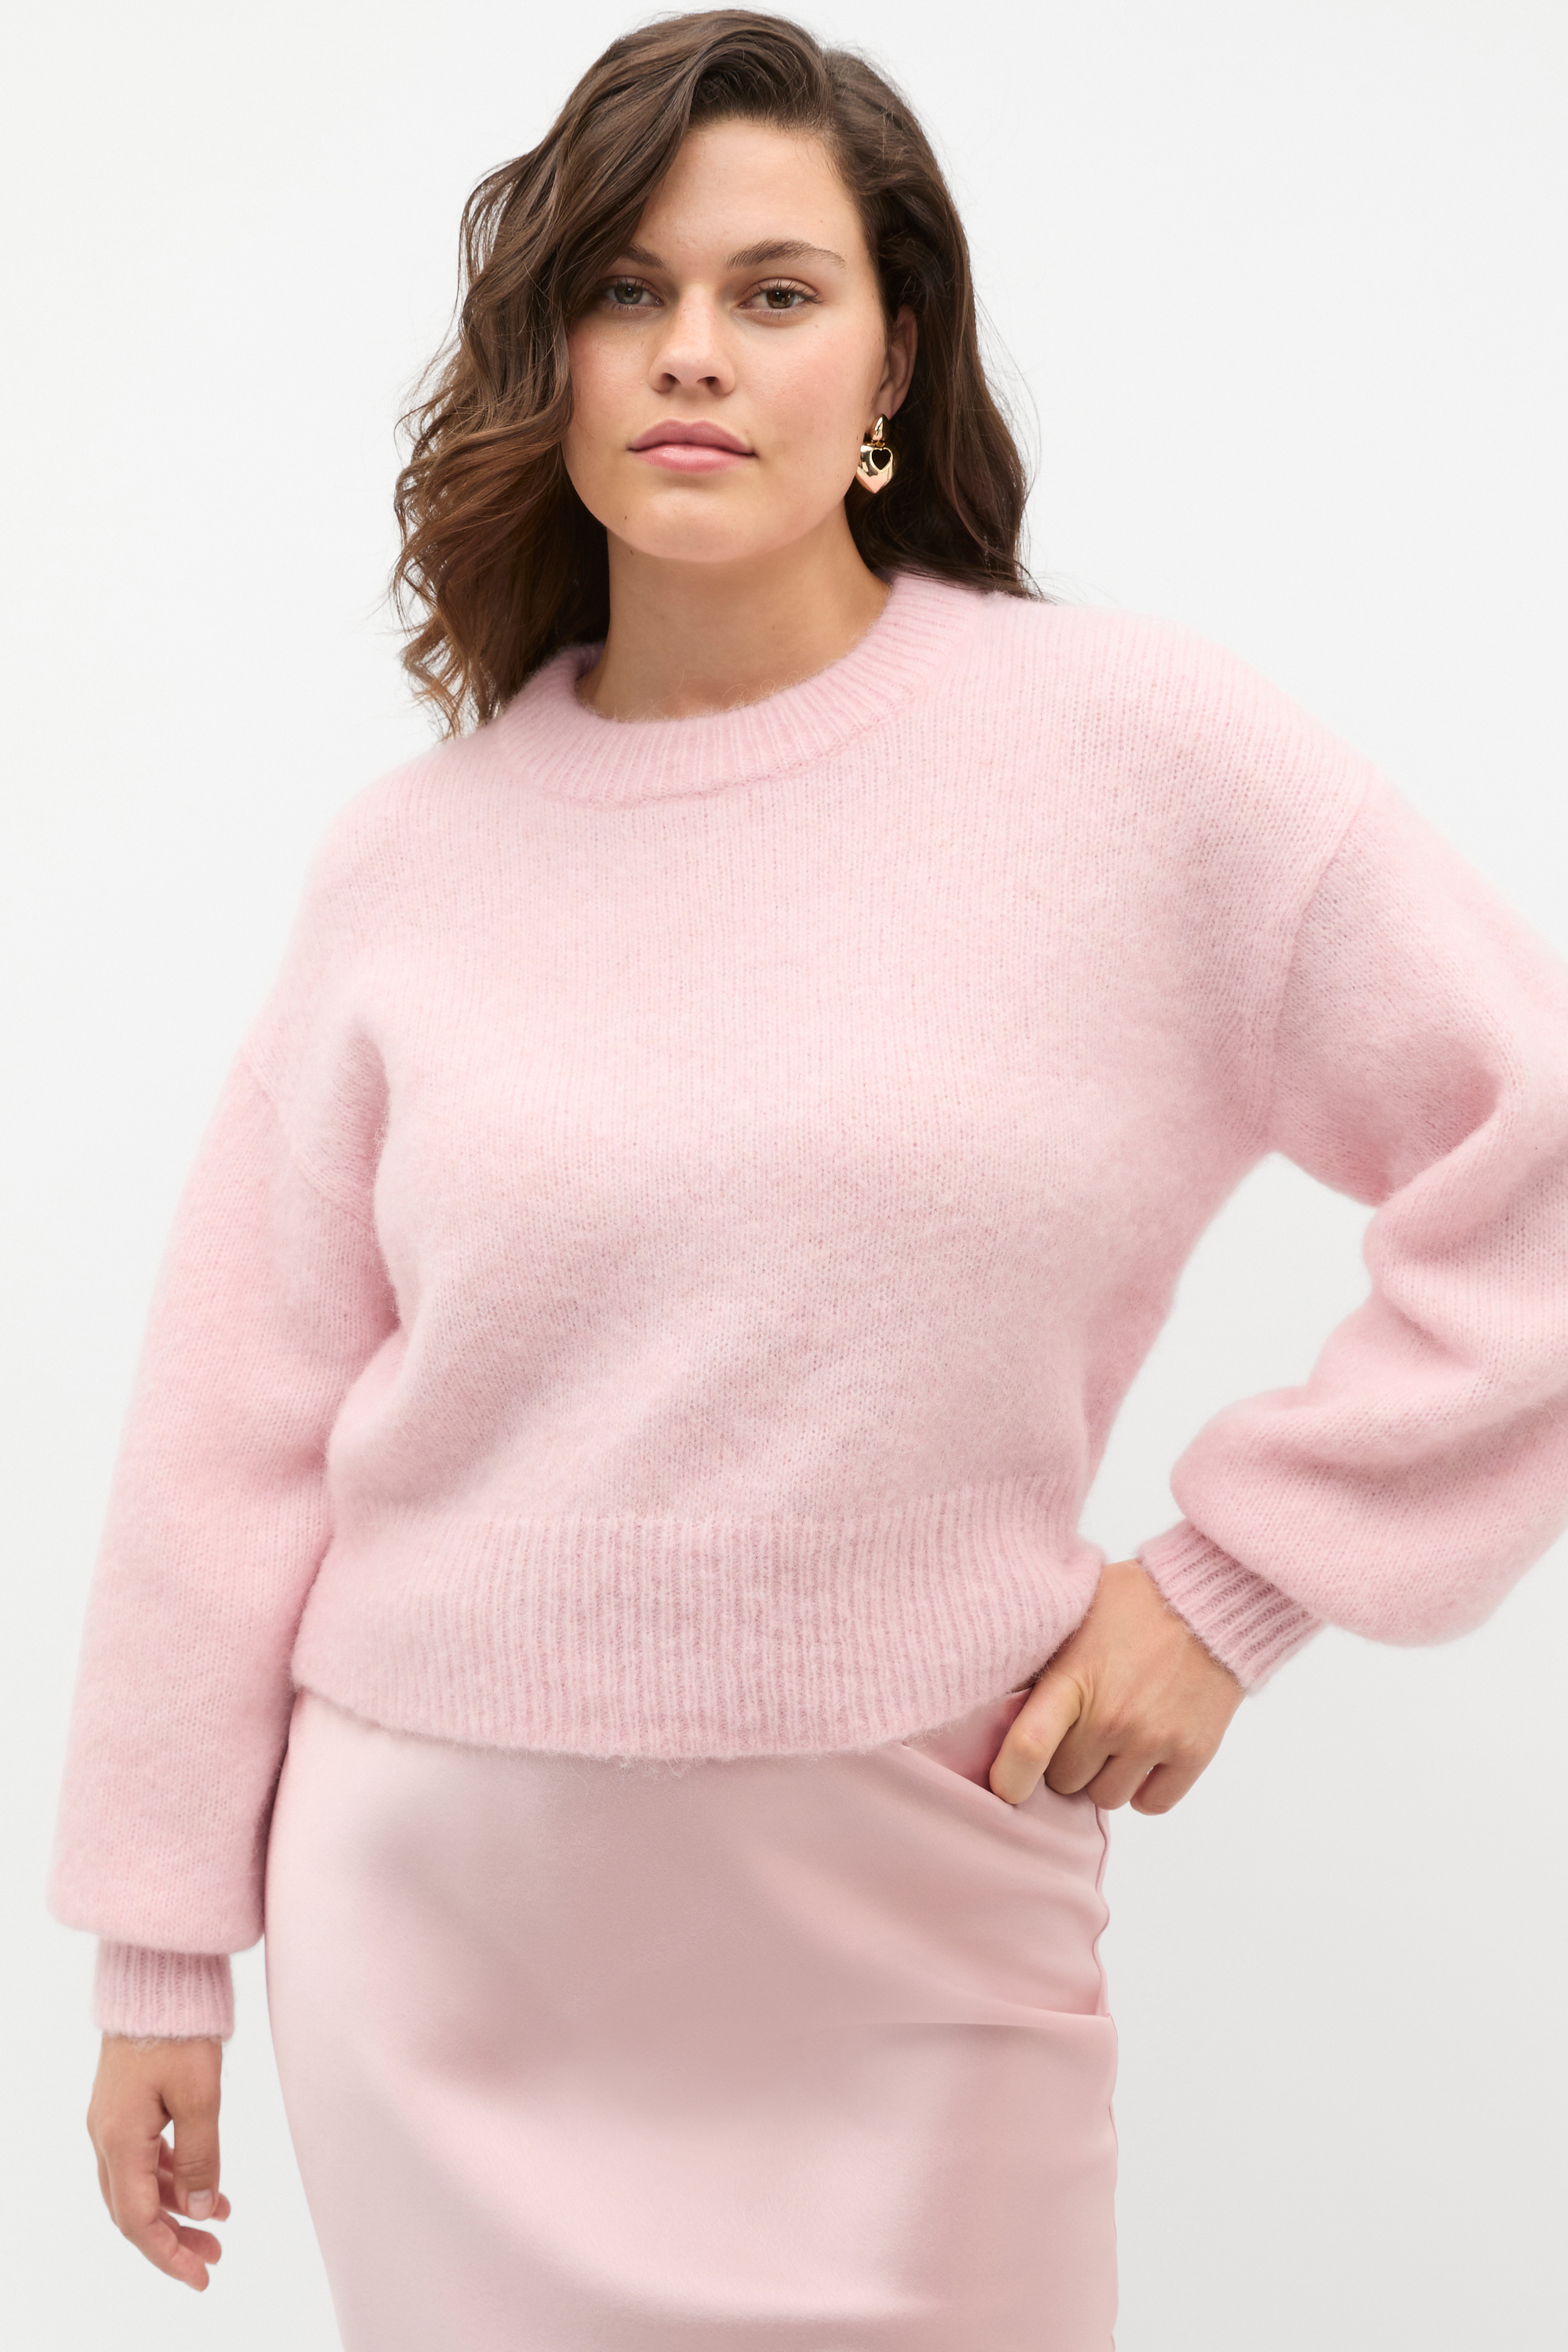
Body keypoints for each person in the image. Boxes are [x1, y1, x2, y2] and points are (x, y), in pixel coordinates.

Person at [49, 11, 1568, 2348]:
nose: (692, 352)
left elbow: (1531, 1149)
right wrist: (161, 1951)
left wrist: (1241, 1581)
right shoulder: (413, 865)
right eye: (624, 291)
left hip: (912, 1910)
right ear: (551, 365)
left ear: (894, 362)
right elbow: (228, 1424)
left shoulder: (1135, 764)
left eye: (774, 293)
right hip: (447, 1920)